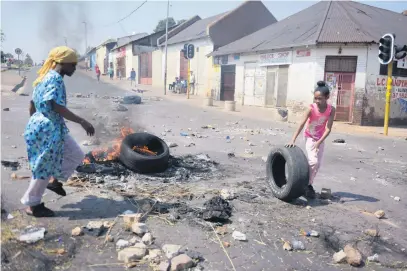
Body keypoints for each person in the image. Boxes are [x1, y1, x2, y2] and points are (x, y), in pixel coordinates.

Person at [21, 46, 95, 217]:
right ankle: (33, 205)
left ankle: (53, 180)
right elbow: (57, 106)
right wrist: (82, 121)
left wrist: (34, 123)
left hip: (44, 126)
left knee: (76, 154)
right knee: (43, 167)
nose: (75, 69)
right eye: (73, 65)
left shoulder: (43, 77)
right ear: (62, 62)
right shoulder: (55, 79)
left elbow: (32, 104)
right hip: (48, 128)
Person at [285, 81, 335, 199]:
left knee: (318, 165)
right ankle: (302, 182)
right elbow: (301, 124)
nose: (317, 101)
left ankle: (308, 185)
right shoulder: (311, 108)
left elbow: (328, 129)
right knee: (313, 161)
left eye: (320, 99)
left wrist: (319, 142)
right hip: (309, 136)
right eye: (315, 98)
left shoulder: (331, 110)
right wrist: (293, 139)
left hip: (320, 139)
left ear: (327, 97)